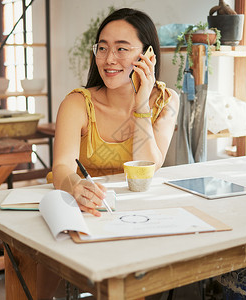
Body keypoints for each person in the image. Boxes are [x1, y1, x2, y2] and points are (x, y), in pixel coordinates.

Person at [38, 7, 179, 299]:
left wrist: (141, 104)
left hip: (136, 219)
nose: (109, 59)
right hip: (83, 213)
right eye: (102, 48)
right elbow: (62, 166)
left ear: (147, 55)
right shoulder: (77, 104)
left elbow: (148, 169)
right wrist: (76, 185)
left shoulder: (166, 101)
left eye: (121, 49)